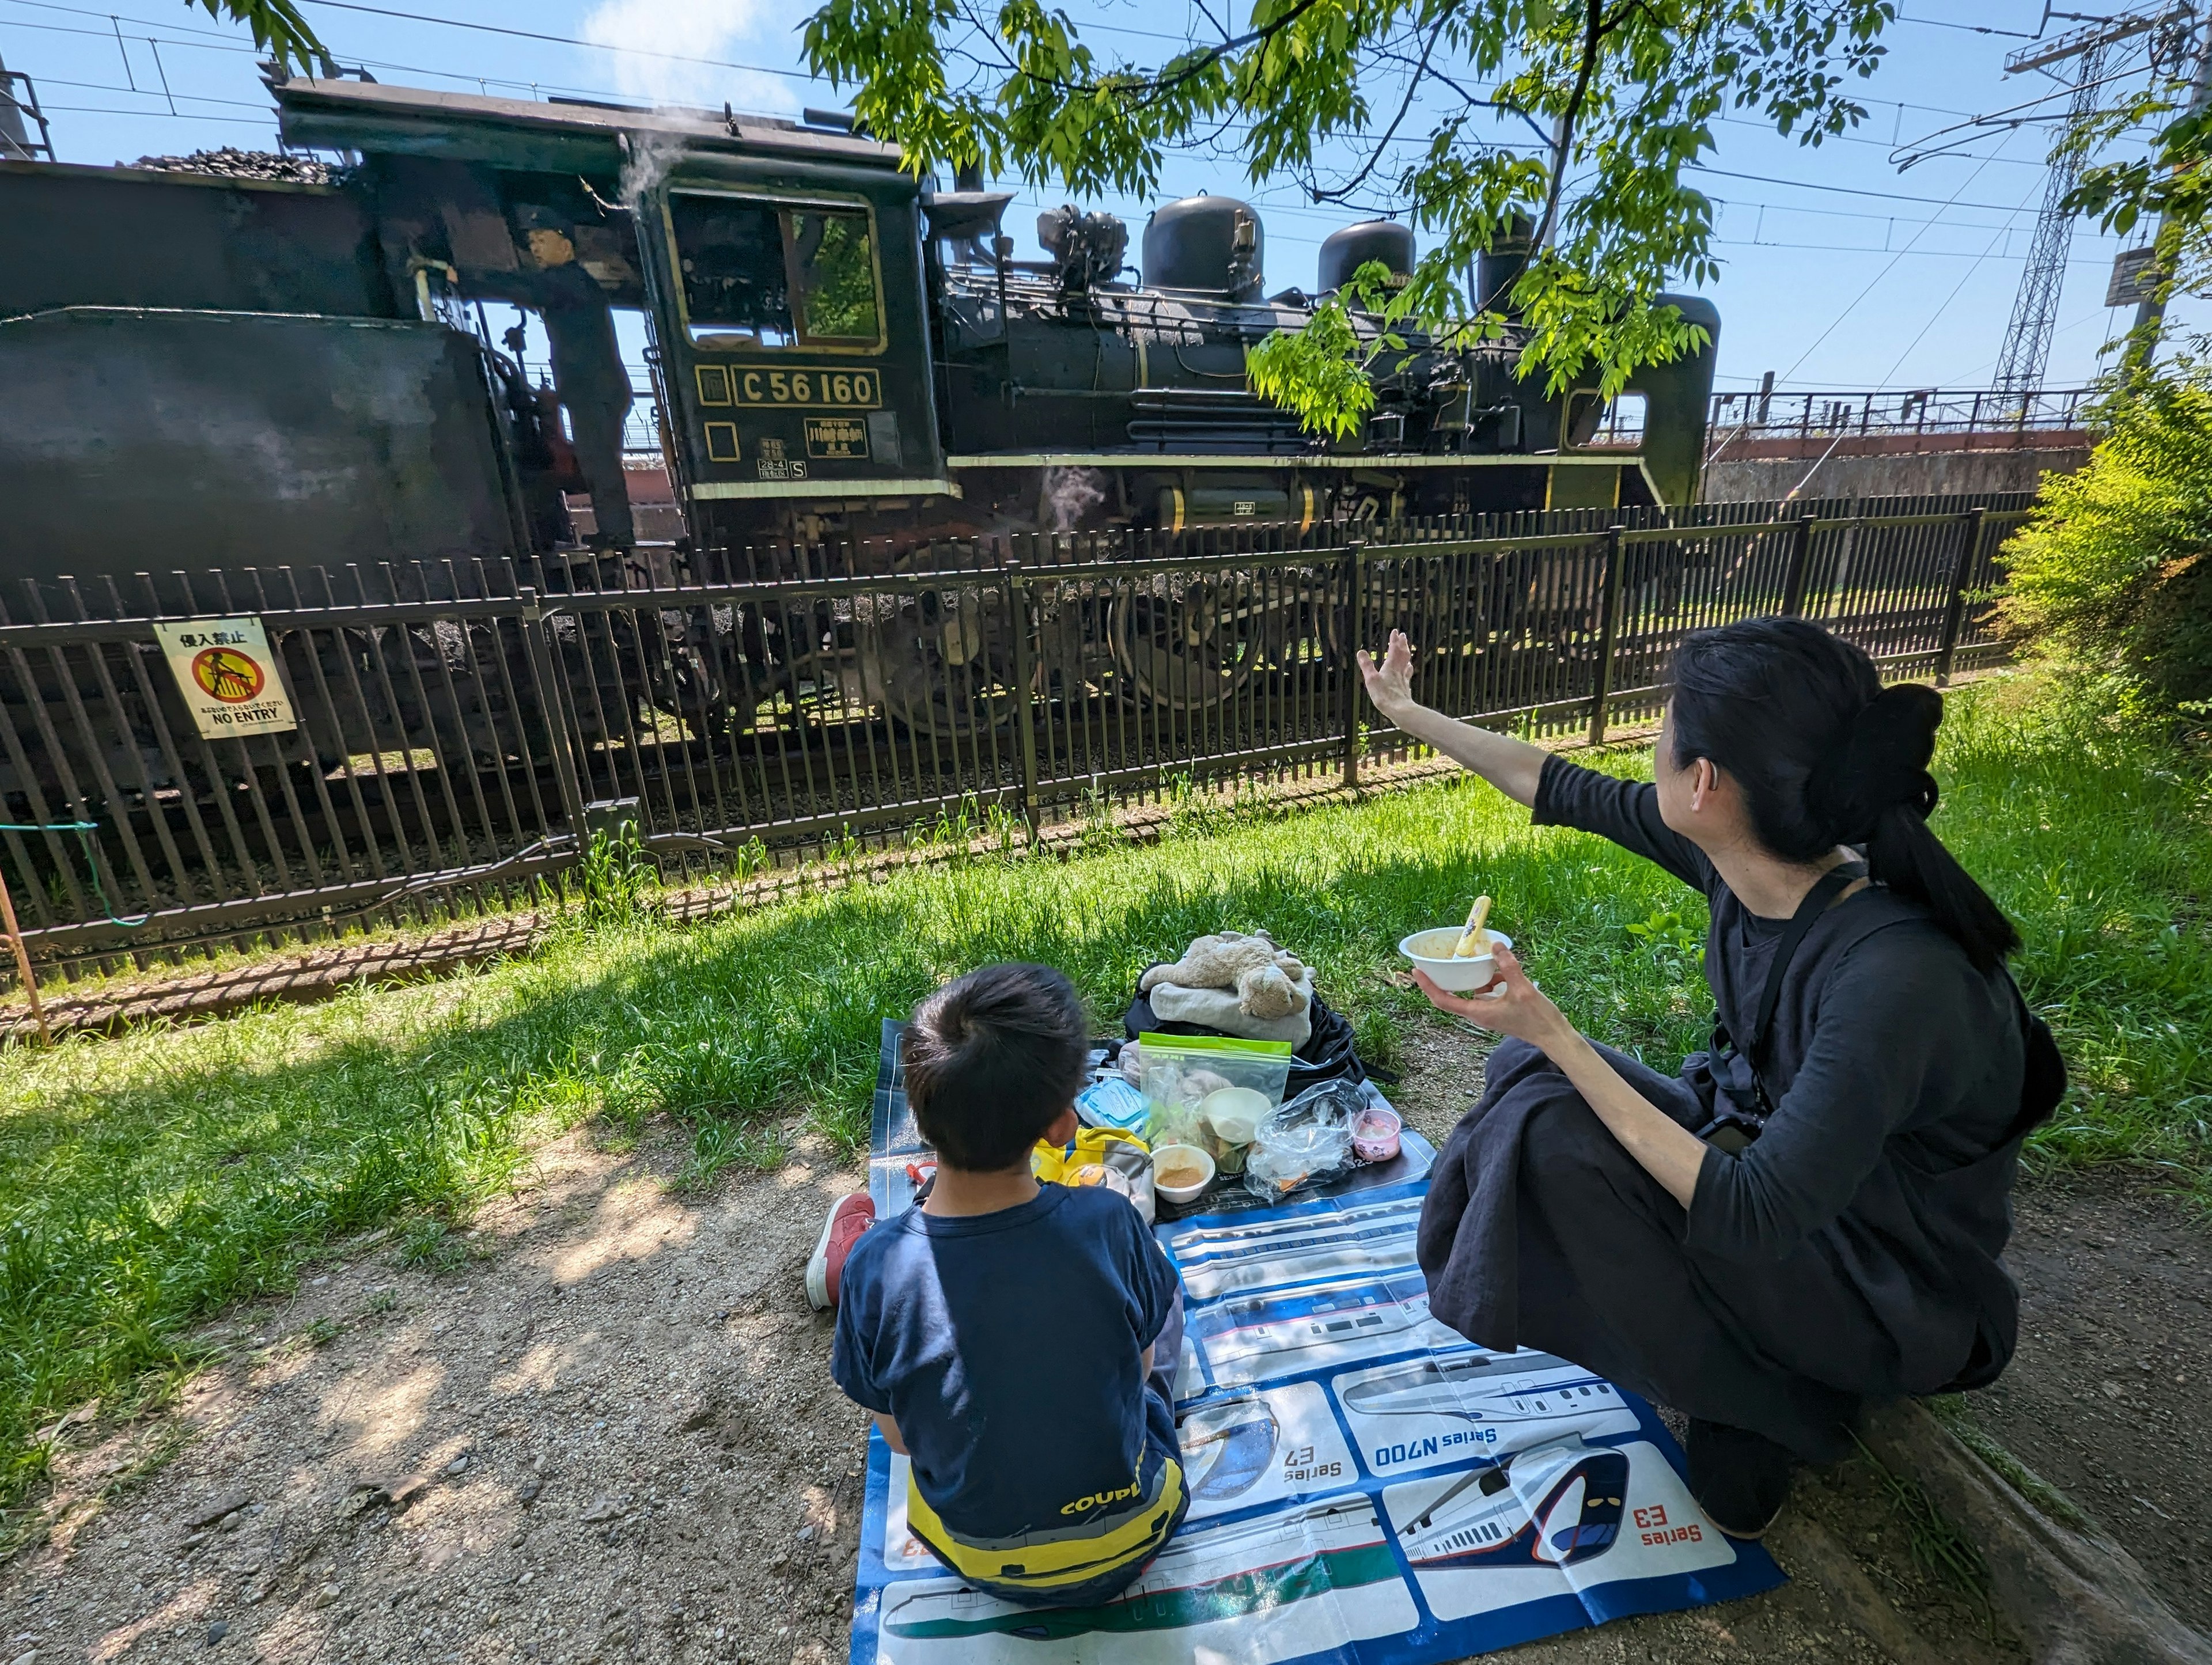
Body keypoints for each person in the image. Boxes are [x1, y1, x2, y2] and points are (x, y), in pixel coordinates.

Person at [1358, 617, 2058, 1538]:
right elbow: (1553, 781)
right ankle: (1742, 1355)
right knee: (1524, 1076)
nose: (1653, 740)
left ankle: (1784, 1397)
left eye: (1664, 723)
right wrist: (1413, 715)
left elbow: (1755, 1210)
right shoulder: (1751, 854)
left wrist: (1560, 1031)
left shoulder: (1893, 976)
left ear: (1706, 782)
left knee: (1560, 1129)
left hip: (1891, 1280)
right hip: (1782, 1179)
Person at [823, 963, 1189, 1606]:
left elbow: (904, 1439)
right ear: (1061, 1123)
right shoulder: (1109, 1220)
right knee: (1163, 1300)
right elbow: (1139, 1368)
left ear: (919, 1115)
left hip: (979, 1557)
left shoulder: (876, 1267)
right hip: (1136, 1533)